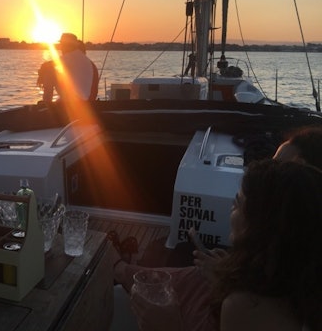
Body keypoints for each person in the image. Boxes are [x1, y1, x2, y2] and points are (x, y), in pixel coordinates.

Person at [113, 125, 322, 330]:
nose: (231, 207)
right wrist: (227, 277)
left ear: (264, 225)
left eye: (238, 203)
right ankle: (122, 270)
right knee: (193, 273)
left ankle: (119, 269)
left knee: (186, 268)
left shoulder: (246, 307)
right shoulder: (302, 281)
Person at [36, 33, 99, 102]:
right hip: (89, 101)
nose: (61, 48)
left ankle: (47, 103)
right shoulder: (89, 62)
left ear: (67, 46)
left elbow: (46, 65)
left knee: (50, 71)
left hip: (76, 102)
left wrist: (41, 76)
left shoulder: (70, 57)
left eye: (62, 45)